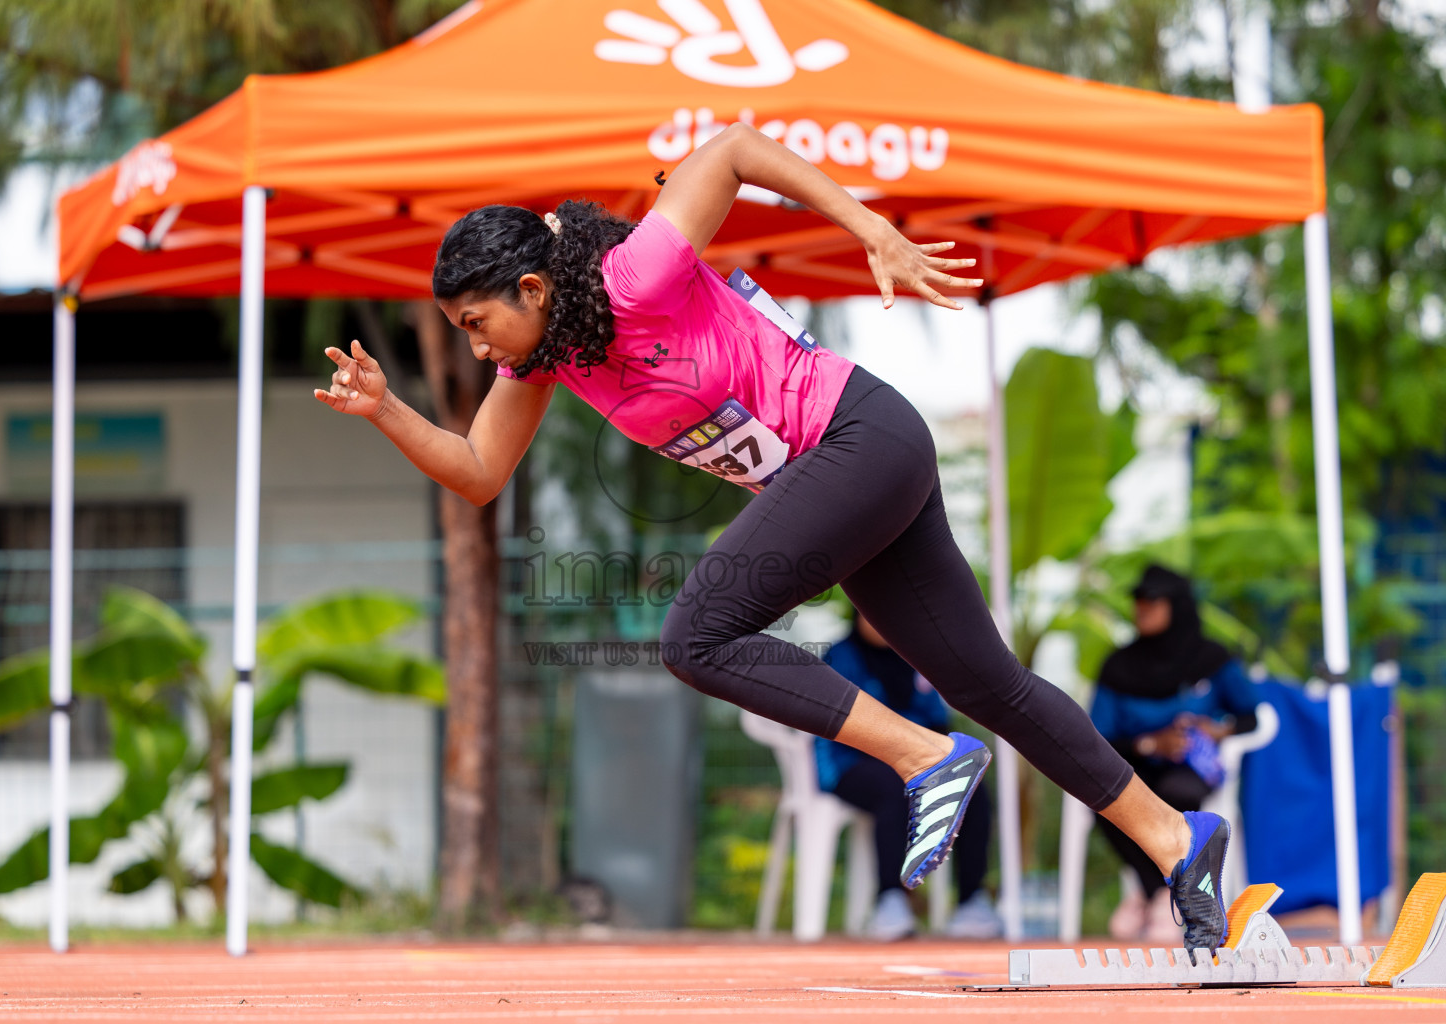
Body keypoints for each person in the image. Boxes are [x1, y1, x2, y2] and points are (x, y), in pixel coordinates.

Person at [315, 121, 1232, 951]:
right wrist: (388, 409)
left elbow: (734, 148)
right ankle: (1174, 838)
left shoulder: (635, 273)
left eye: (479, 326)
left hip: (859, 438)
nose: (480, 350)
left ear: (531, 286)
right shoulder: (548, 360)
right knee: (986, 681)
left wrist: (870, 229)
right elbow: (477, 473)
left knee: (695, 635)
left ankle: (928, 754)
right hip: (849, 476)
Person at [1090, 564, 1261, 943]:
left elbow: (1251, 716)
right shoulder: (1118, 665)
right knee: (1104, 798)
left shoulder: (1211, 658)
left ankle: (1155, 896)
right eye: (1137, 600)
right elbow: (1097, 736)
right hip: (1134, 765)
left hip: (1189, 769)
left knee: (1178, 794)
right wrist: (1152, 743)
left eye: (1152, 600)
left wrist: (1218, 729)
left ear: (1177, 606)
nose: (1141, 608)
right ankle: (1158, 892)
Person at [817, 609, 1000, 940]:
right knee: (893, 787)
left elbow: (937, 721)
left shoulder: (913, 659)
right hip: (850, 764)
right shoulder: (840, 657)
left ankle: (972, 900)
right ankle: (890, 899)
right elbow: (834, 725)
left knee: (973, 787)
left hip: (917, 762)